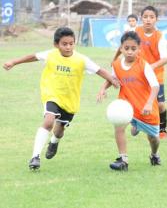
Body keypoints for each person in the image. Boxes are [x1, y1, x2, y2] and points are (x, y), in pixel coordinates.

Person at [2, 27, 119, 170]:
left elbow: (99, 70)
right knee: (49, 120)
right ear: (56, 44)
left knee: (59, 130)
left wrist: (112, 80)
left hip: (70, 100)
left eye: (71, 43)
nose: (68, 47)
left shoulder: (81, 60)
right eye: (65, 44)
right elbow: (33, 56)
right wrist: (14, 62)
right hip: (51, 94)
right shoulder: (50, 55)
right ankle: (35, 157)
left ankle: (54, 141)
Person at [97, 31, 161, 171]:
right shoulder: (116, 65)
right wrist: (103, 88)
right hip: (125, 105)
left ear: (139, 49)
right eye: (126, 48)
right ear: (121, 48)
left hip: (145, 108)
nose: (130, 52)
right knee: (119, 127)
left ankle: (154, 154)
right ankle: (123, 160)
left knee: (153, 138)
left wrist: (149, 103)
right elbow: (112, 79)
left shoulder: (144, 65)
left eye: (133, 49)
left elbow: (155, 86)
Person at [135, 6, 167, 139]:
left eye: (151, 17)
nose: (148, 20)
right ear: (141, 18)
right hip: (139, 75)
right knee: (138, 101)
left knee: (160, 104)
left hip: (156, 76)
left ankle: (162, 129)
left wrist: (150, 67)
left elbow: (165, 58)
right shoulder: (136, 32)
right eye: (145, 17)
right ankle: (137, 123)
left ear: (156, 19)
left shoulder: (159, 36)